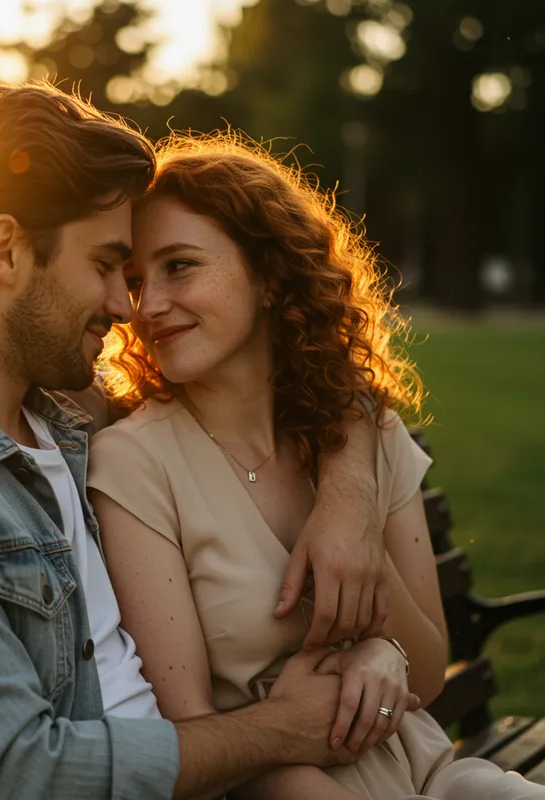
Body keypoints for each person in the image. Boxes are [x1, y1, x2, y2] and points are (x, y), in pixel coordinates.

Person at [0, 83, 392, 799]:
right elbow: (19, 774)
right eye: (106, 265)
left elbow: (311, 376)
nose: (126, 308)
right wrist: (283, 729)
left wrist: (348, 497)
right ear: (6, 249)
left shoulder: (71, 410)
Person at [87, 133, 545, 799]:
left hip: (434, 774)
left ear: (270, 274)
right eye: (134, 280)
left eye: (179, 267)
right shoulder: (134, 464)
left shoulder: (367, 435)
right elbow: (187, 727)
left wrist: (374, 611)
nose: (146, 305)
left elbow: (426, 677)